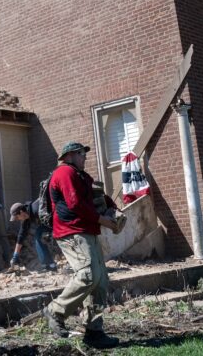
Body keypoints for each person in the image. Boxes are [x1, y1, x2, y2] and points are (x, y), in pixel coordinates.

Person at [43, 141, 121, 349]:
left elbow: (97, 197)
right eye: (81, 153)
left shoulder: (82, 177)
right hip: (71, 232)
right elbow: (75, 204)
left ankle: (94, 332)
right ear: (68, 155)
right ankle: (55, 311)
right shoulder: (64, 173)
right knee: (88, 275)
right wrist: (104, 222)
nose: (85, 157)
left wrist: (112, 209)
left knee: (100, 281)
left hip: (88, 232)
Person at [9, 200, 56, 271]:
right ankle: (47, 265)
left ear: (21, 212)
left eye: (17, 217)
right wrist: (15, 255)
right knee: (38, 236)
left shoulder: (36, 209)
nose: (17, 219)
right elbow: (21, 235)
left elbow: (53, 214)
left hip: (56, 220)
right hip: (48, 223)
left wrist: (53, 232)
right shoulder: (26, 217)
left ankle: (50, 265)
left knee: (39, 236)